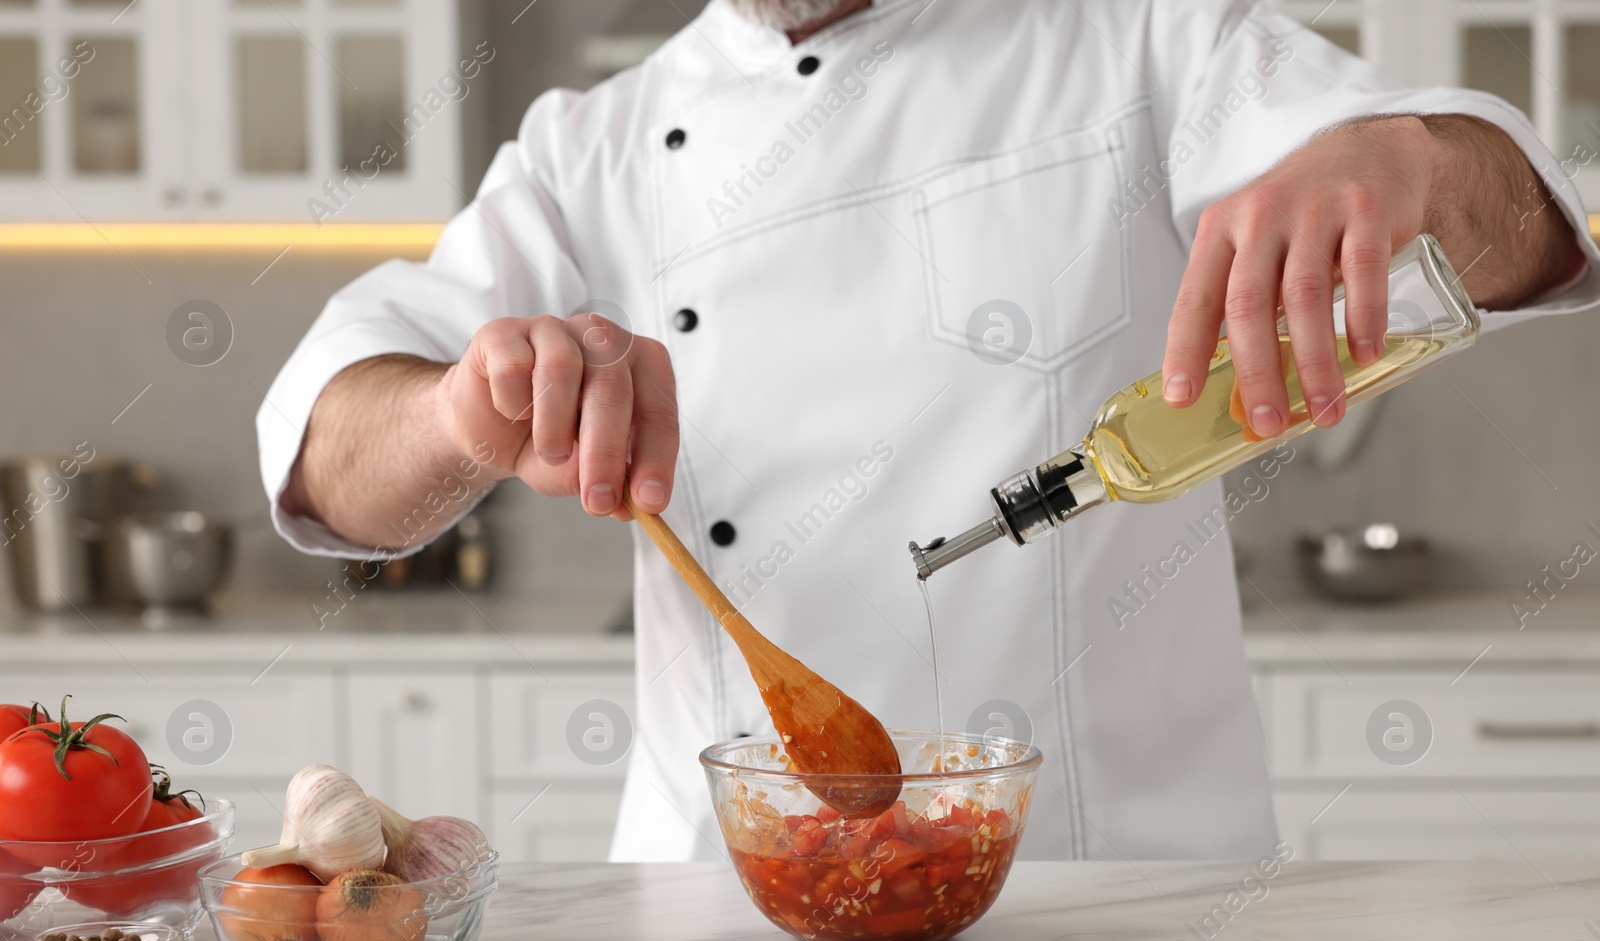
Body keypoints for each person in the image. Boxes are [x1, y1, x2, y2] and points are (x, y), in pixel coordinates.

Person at [258, 0, 1598, 862]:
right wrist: (460, 410)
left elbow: (1535, 236)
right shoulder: (585, 151)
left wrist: (1411, 160)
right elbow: (330, 465)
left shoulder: (1142, 41)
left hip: (1126, 915)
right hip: (722, 927)